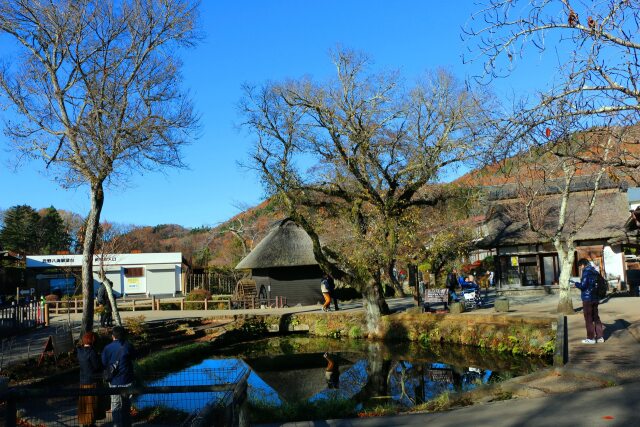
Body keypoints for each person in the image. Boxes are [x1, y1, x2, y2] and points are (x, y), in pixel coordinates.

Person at [102, 326, 136, 427]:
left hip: (113, 380)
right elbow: (134, 357)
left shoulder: (107, 348)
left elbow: (104, 363)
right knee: (126, 404)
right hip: (127, 379)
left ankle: (117, 424)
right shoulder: (128, 346)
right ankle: (127, 424)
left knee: (115, 404)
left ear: (113, 336)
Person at [574, 259, 604, 344]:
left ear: (583, 265)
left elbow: (583, 286)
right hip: (595, 298)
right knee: (596, 318)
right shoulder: (595, 271)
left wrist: (576, 284)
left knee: (588, 318)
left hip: (587, 299)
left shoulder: (586, 272)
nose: (580, 268)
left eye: (580, 266)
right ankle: (600, 337)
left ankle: (591, 338)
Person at [77, 331, 104, 427]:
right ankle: (90, 423)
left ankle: (84, 422)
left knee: (84, 404)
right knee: (91, 404)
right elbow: (96, 366)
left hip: (83, 380)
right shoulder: (92, 352)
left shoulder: (79, 351)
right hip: (92, 381)